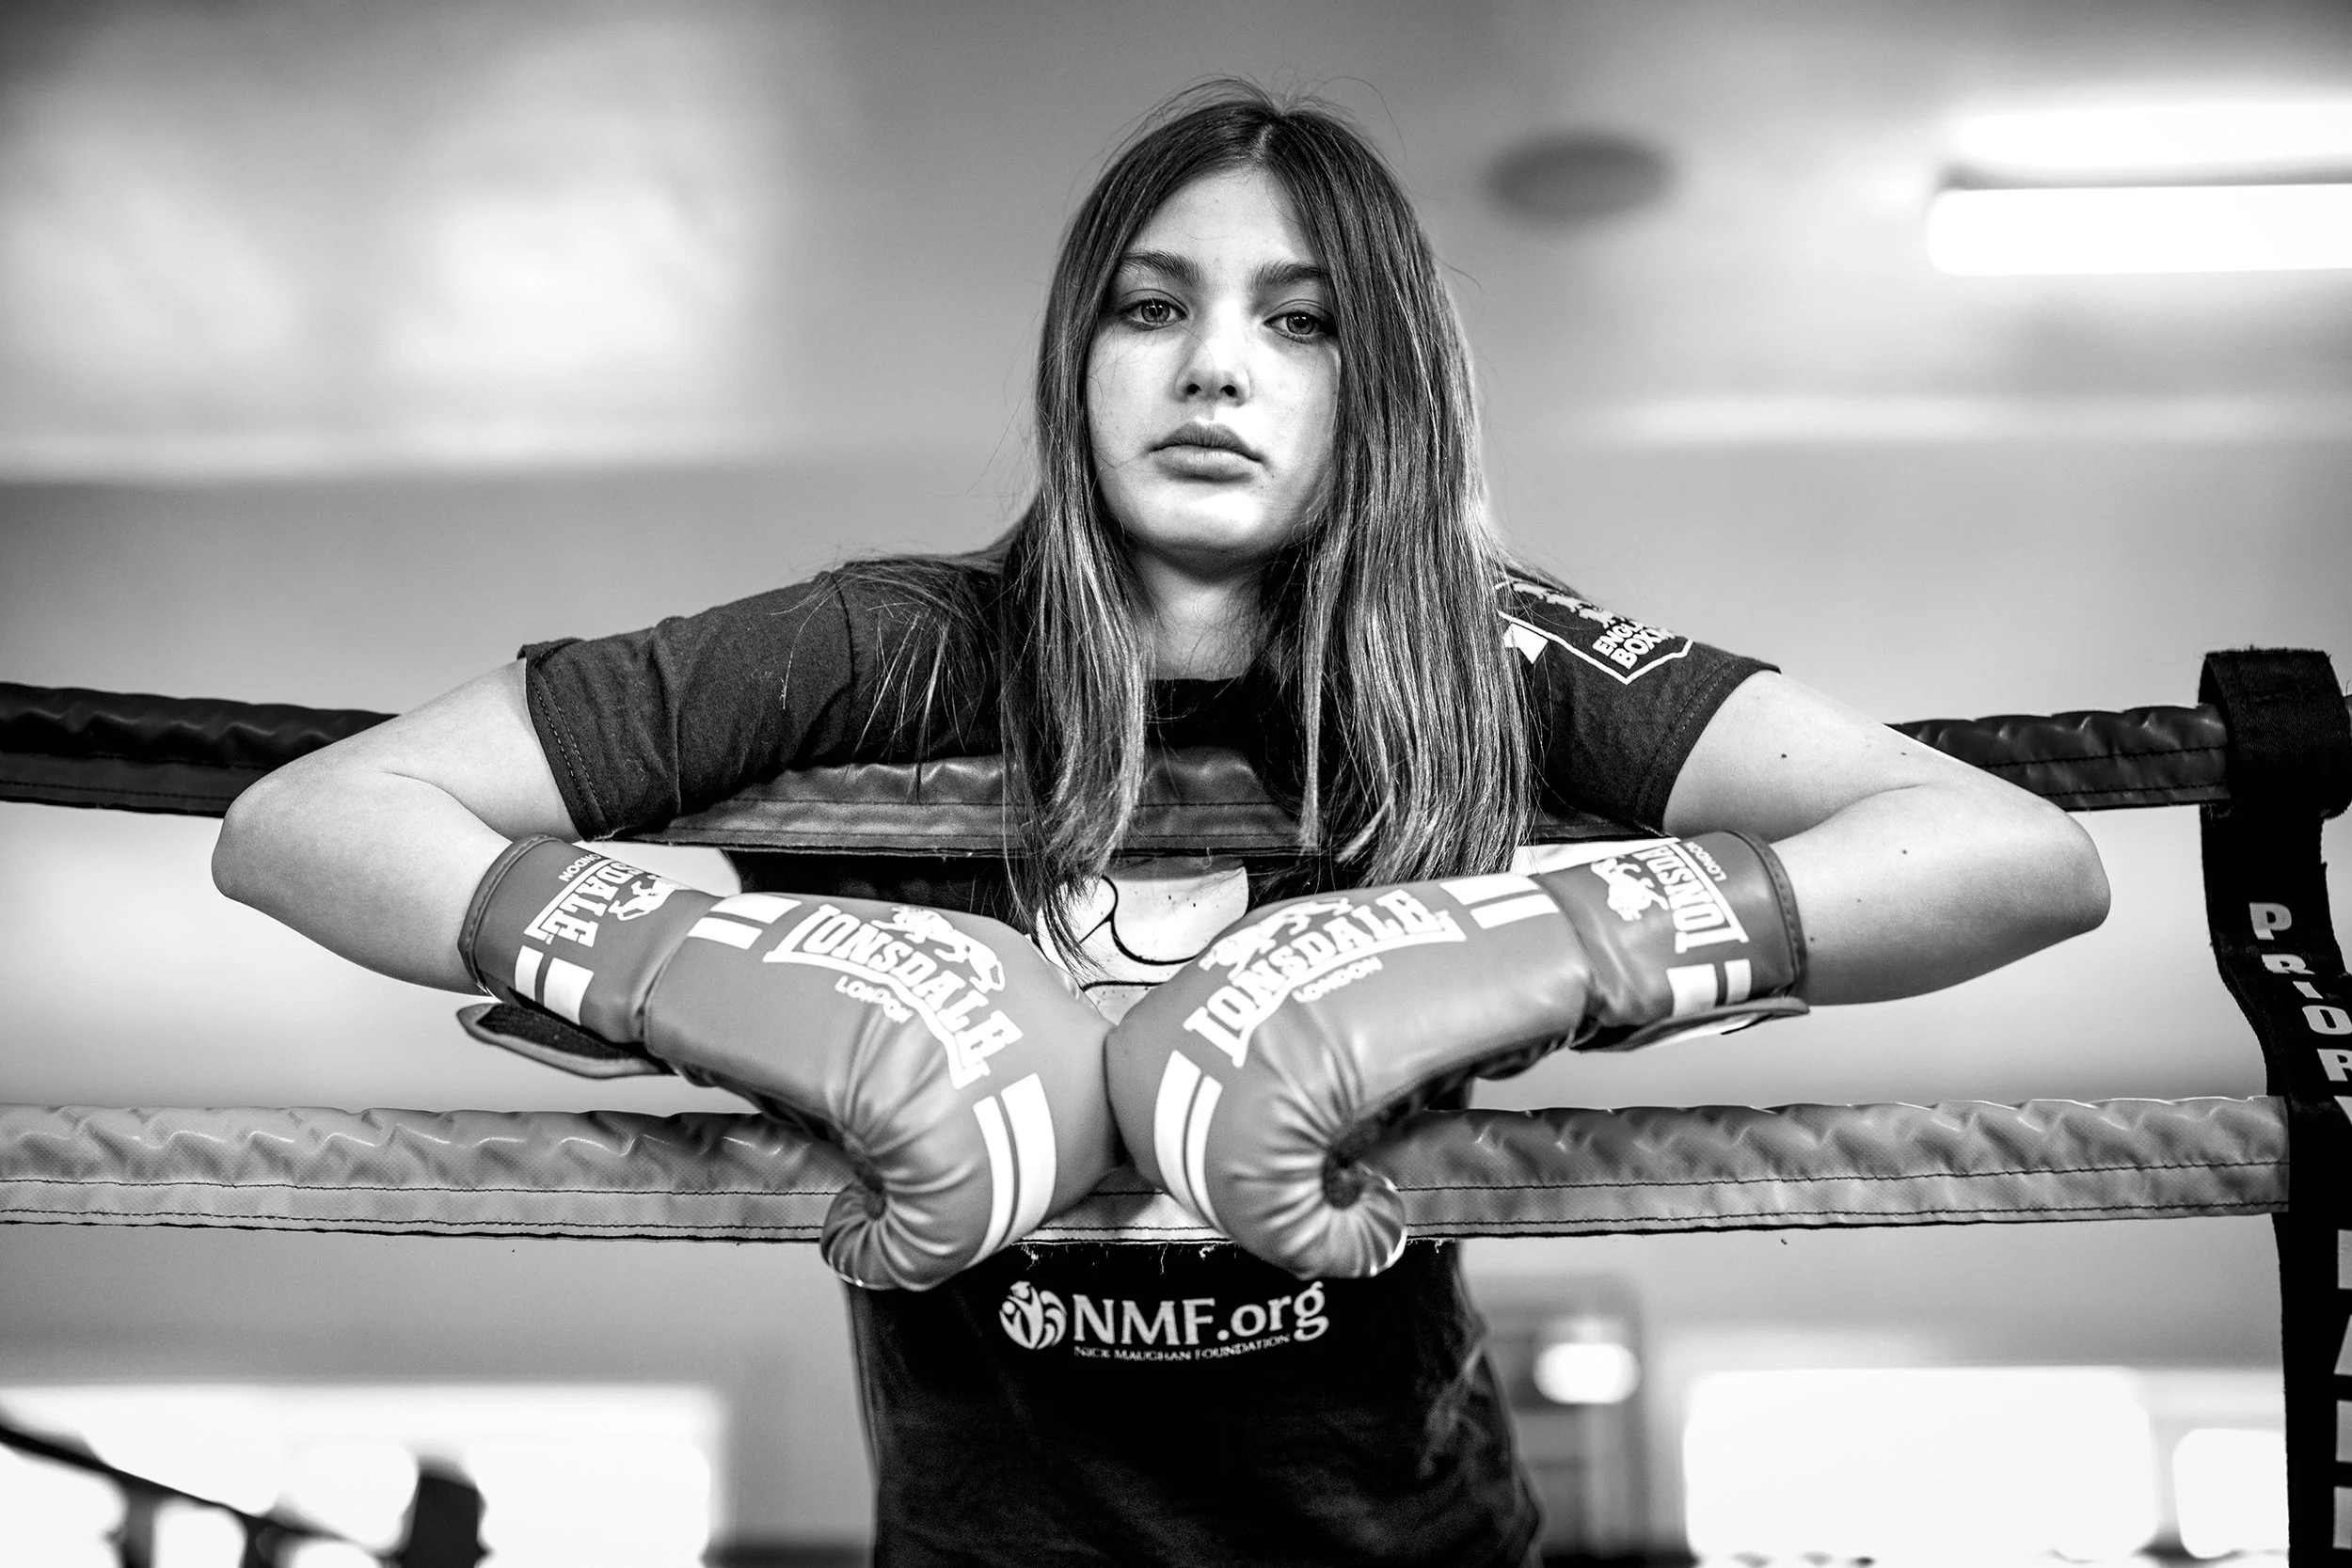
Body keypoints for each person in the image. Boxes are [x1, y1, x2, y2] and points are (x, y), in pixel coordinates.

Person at [213, 82, 2110, 1567]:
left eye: (1300, 323)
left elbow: (2012, 851)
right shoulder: (881, 649)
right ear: (1077, 356)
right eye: (1152, 306)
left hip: (1414, 1540)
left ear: (1387, 390)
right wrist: (658, 949)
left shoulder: (1484, 655)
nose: (1213, 366)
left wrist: (1570, 933)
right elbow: (311, 819)